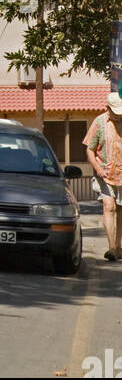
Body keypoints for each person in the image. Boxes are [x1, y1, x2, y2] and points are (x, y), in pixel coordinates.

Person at [85, 92, 122, 261]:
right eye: (115, 111)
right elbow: (90, 150)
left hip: (121, 174)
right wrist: (98, 168)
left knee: (120, 209)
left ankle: (118, 245)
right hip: (105, 174)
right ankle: (112, 247)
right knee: (109, 206)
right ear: (107, 108)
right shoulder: (99, 122)